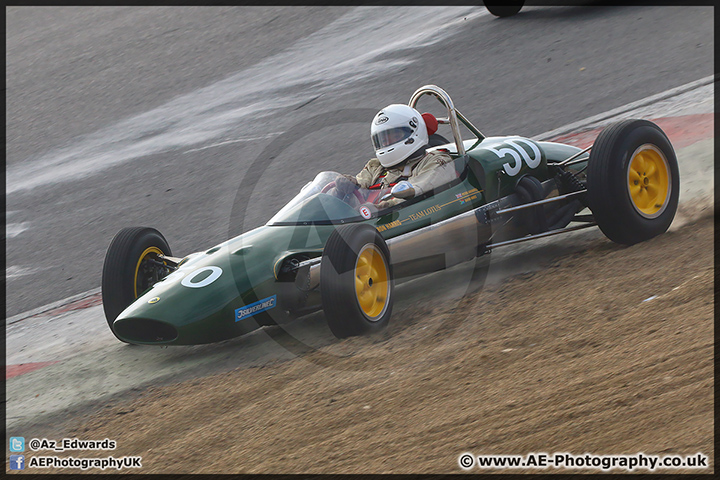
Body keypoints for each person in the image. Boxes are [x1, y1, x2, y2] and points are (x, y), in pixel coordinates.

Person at [334, 104, 456, 208]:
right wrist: (341, 189)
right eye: (383, 140)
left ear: (413, 131)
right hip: (368, 222)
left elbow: (419, 189)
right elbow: (357, 192)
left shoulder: (437, 161)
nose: (387, 143)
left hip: (409, 216)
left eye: (394, 136)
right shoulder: (375, 167)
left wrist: (382, 208)